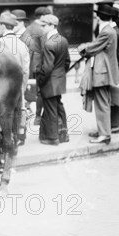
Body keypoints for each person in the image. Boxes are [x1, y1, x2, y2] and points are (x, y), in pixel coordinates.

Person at [77, 4, 119, 145]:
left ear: (99, 16)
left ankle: (104, 135)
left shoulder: (107, 32)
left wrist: (82, 48)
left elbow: (93, 48)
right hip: (105, 73)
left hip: (103, 74)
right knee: (103, 104)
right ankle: (103, 131)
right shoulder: (108, 30)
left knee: (102, 104)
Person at [0, 12, 30, 146]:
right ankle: (16, 139)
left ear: (3, 26)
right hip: (18, 86)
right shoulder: (22, 45)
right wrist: (23, 87)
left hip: (2, 87)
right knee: (17, 112)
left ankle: (6, 143)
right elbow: (26, 71)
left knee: (3, 116)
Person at [37, 15, 70, 145]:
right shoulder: (63, 40)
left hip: (50, 82)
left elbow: (47, 67)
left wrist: (40, 80)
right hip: (59, 81)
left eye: (44, 25)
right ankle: (63, 134)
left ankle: (52, 137)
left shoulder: (49, 43)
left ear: (52, 26)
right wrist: (60, 74)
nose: (42, 27)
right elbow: (67, 61)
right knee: (59, 107)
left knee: (50, 109)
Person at [21, 6, 52, 125]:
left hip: (28, 64)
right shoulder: (41, 30)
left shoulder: (29, 28)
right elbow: (46, 49)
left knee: (30, 90)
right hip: (37, 66)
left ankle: (29, 112)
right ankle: (37, 117)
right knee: (40, 92)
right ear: (43, 17)